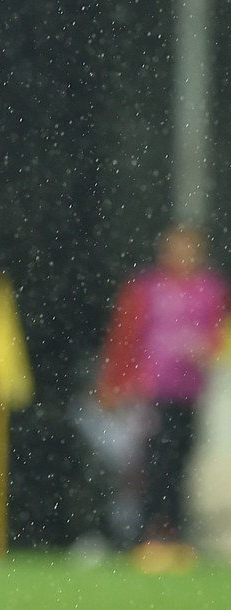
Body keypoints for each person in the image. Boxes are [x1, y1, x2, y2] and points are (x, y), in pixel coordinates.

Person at [96, 222, 228, 567]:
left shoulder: (211, 290)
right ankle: (148, 534)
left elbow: (222, 335)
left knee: (181, 462)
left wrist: (209, 349)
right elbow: (124, 337)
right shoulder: (146, 289)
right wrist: (115, 383)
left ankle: (175, 534)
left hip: (191, 394)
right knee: (153, 463)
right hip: (151, 393)